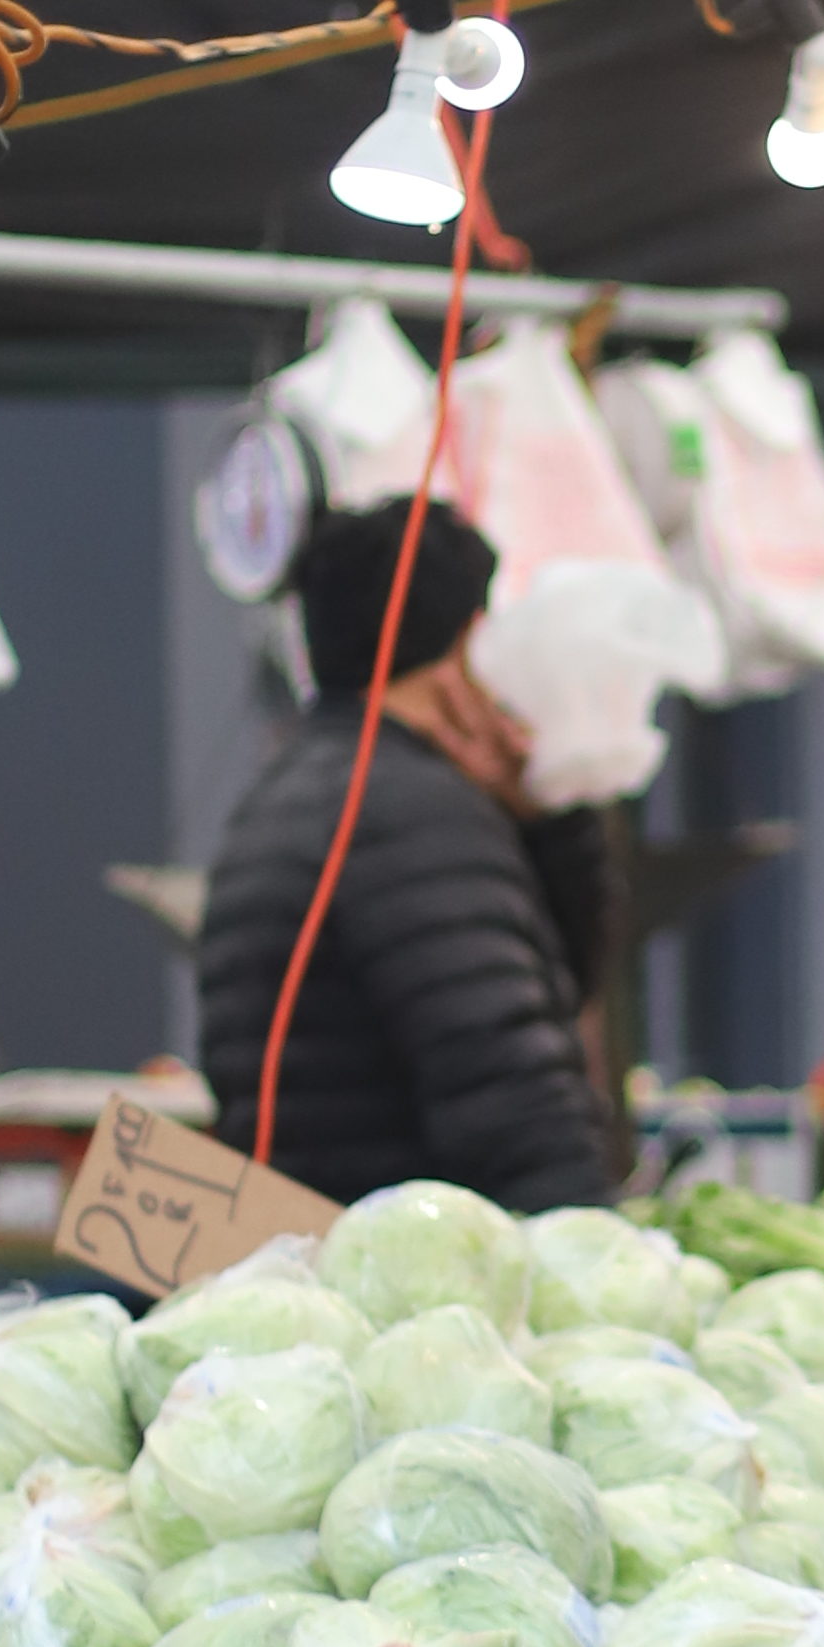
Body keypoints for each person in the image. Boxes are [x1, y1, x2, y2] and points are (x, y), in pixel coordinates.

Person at [191, 501, 614, 1210]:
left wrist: (543, 816)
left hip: (326, 1265)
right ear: (469, 647)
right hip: (418, 1284)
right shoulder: (413, 816)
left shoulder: (286, 792)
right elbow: (514, 1101)